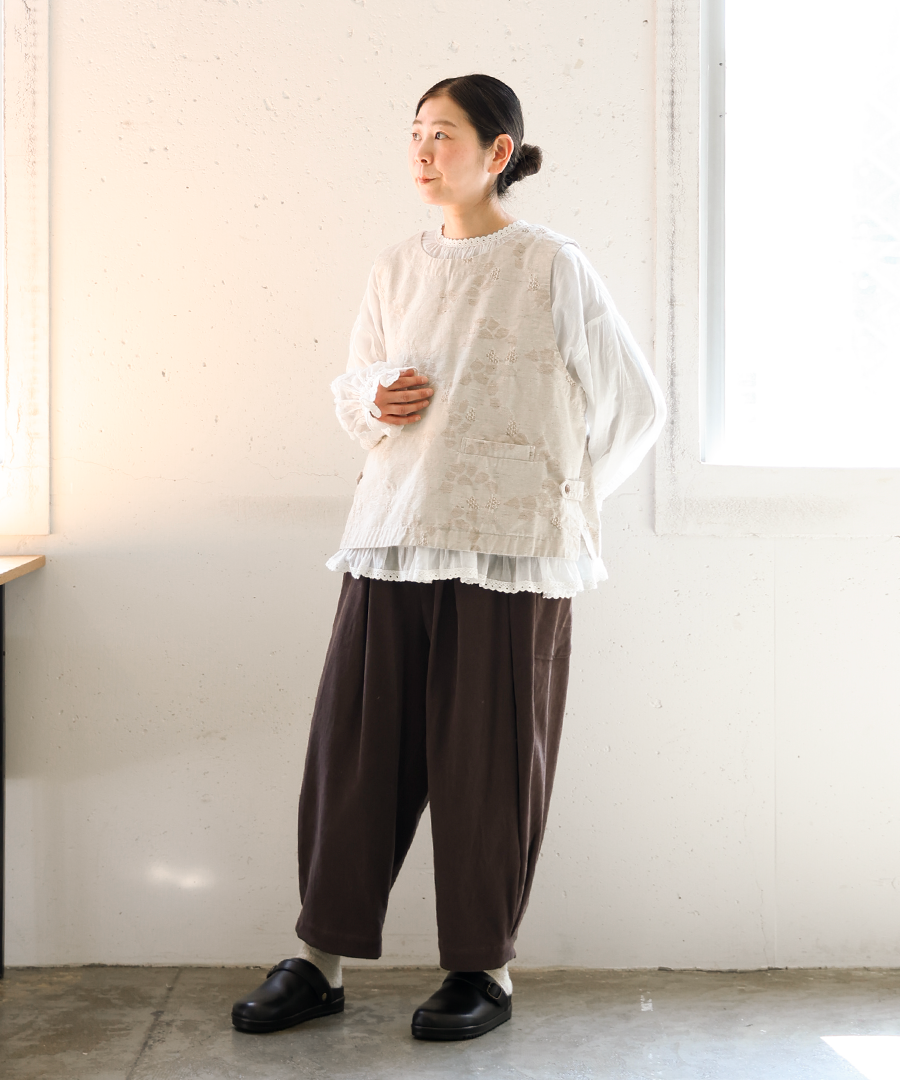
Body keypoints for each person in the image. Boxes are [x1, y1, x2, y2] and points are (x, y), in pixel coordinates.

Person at [231, 73, 666, 1042]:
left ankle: (483, 970)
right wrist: (373, 398)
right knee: (354, 757)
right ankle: (318, 960)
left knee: (490, 766)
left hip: (510, 556)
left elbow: (636, 407)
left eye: (444, 134)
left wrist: (563, 502)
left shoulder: (552, 264)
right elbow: (357, 388)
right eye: (416, 133)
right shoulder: (397, 265)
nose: (423, 152)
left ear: (498, 153)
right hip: (392, 538)